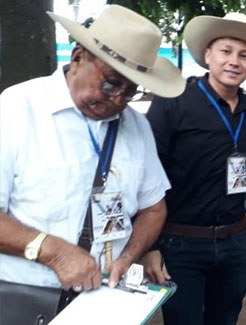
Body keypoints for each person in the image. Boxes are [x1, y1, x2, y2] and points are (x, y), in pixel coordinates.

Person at [0, 4, 184, 321]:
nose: (118, 100)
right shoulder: (16, 110)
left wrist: (128, 256)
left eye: (131, 91)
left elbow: (153, 208)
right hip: (23, 295)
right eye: (111, 82)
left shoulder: (136, 127)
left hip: (105, 298)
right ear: (78, 57)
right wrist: (51, 251)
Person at [142, 12, 246, 325]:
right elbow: (146, 174)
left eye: (244, 55)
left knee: (226, 318)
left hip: (234, 243)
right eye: (226, 51)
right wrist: (150, 247)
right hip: (180, 243)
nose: (234, 61)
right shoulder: (173, 101)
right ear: (207, 55)